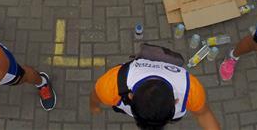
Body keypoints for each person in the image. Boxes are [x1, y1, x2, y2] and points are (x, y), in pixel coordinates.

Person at [90, 55, 221, 129]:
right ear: (176, 101)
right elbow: (203, 114)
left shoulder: (111, 85)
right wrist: (94, 105)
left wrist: (94, 105)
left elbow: (204, 115)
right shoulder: (190, 89)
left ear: (131, 96)